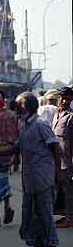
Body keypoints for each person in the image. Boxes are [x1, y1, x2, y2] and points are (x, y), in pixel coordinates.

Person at [0, 92, 61, 247]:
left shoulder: (40, 124)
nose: (16, 109)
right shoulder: (25, 126)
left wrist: (58, 173)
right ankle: (37, 246)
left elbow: (55, 147)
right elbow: (15, 148)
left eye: (18, 106)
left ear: (25, 106)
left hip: (42, 177)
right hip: (30, 178)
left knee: (44, 213)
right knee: (32, 213)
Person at [0, 92, 19, 227]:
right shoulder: (11, 115)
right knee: (4, 181)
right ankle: (7, 205)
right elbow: (17, 136)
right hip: (7, 154)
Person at [52, 86, 73, 228]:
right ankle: (65, 215)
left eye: (69, 99)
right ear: (58, 98)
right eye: (63, 98)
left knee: (68, 190)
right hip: (55, 160)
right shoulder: (56, 115)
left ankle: (70, 218)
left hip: (68, 162)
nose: (65, 101)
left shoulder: (71, 116)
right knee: (58, 190)